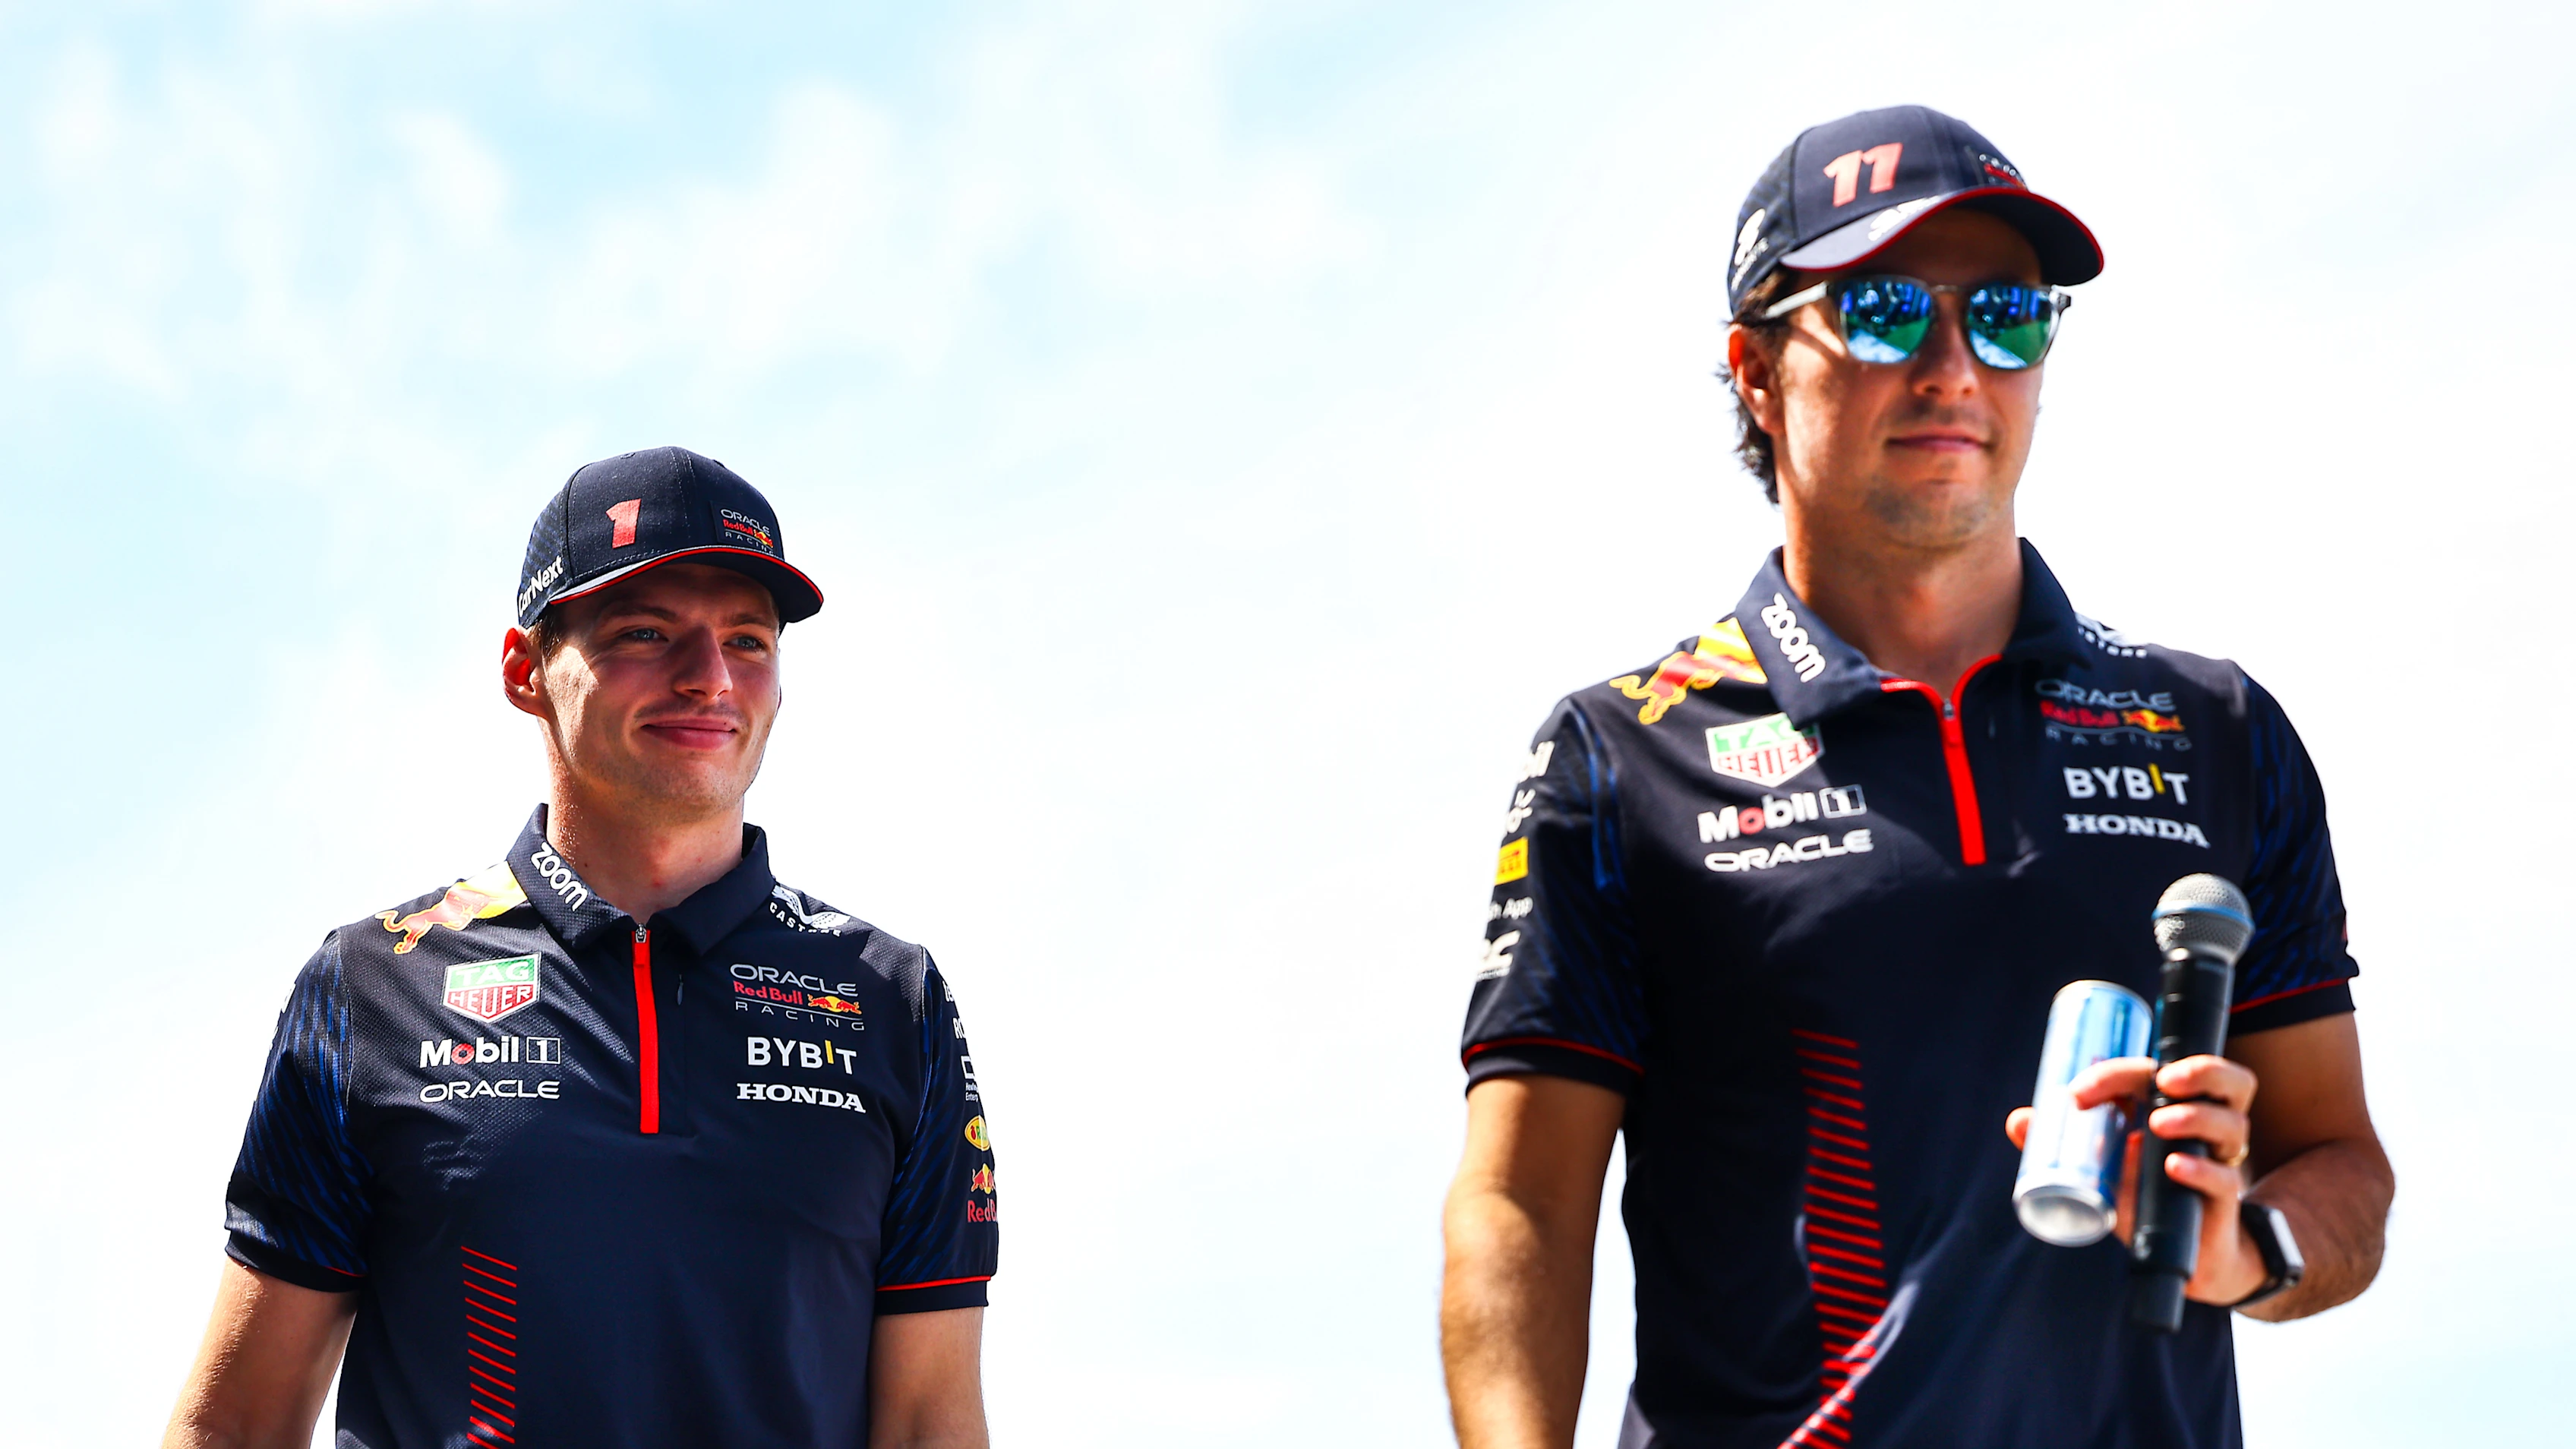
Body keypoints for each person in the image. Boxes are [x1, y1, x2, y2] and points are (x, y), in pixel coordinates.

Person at [1440, 106, 2393, 1449]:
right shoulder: (1620, 753)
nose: (1955, 366)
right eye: (1887, 310)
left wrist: (2255, 1247)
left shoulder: (2219, 728)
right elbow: (1522, 1202)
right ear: (1759, 373)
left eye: (2006, 314)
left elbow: (2339, 1162)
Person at [165, 447, 998, 1449]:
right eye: (647, 633)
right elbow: (240, 1423)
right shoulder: (372, 984)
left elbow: (929, 1427)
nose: (709, 679)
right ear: (526, 671)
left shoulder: (891, 1000)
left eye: (748, 640)